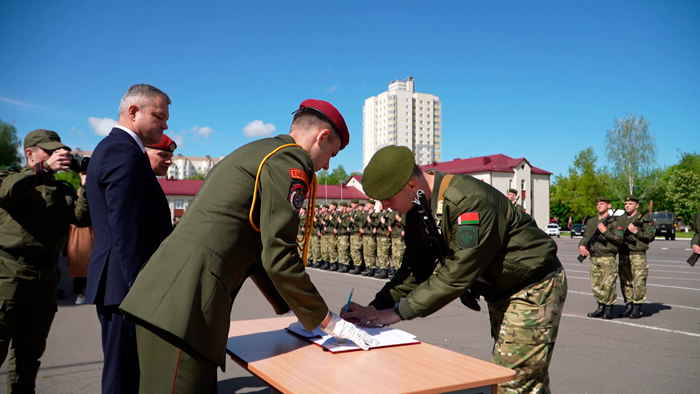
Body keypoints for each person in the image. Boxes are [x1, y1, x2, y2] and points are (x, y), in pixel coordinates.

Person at [119, 99, 377, 393]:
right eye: (331, 154)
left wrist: (300, 312)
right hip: (185, 303)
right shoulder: (291, 162)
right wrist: (328, 321)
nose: (327, 165)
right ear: (322, 137)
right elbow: (279, 254)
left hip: (176, 296)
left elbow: (256, 246)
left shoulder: (259, 151)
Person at [344, 145, 567, 394]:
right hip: (502, 290)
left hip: (531, 287)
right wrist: (376, 307)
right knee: (527, 377)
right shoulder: (416, 208)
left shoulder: (467, 200)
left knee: (511, 382)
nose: (384, 206)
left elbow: (458, 271)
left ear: (410, 185)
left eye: (388, 198)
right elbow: (414, 270)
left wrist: (399, 311)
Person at [85, 84, 174, 394]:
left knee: (128, 374)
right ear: (133, 111)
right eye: (160, 116)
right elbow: (127, 228)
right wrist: (141, 290)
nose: (165, 125)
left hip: (120, 287)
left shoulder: (117, 149)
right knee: (123, 378)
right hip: (125, 289)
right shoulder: (122, 151)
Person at [0, 129, 91, 393]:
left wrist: (84, 187)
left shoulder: (61, 188)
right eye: (49, 152)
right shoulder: (9, 177)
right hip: (9, 272)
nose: (58, 156)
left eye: (59, 151)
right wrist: (43, 170)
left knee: (30, 354)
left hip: (46, 276)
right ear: (30, 154)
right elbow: (6, 194)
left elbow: (81, 219)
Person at [579, 196, 623, 320]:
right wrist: (582, 246)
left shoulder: (615, 222)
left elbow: (619, 239)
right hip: (594, 257)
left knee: (608, 284)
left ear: (609, 206)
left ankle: (609, 309)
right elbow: (586, 237)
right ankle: (600, 307)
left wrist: (605, 231)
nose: (599, 205)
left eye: (602, 203)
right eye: (598, 204)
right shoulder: (591, 222)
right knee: (596, 284)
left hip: (607, 256)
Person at [617, 195, 654, 318]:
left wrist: (636, 232)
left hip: (637, 253)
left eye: (630, 203)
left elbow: (650, 237)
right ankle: (629, 304)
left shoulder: (644, 218)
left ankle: (638, 306)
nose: (627, 205)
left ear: (637, 205)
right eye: (626, 203)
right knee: (625, 281)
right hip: (623, 254)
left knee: (639, 282)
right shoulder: (621, 219)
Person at [361, 200, 378, 277]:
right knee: (366, 253)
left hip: (371, 235)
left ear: (373, 205)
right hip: (365, 235)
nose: (367, 205)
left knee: (371, 253)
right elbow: (361, 223)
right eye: (367, 203)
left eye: (369, 204)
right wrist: (360, 228)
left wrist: (370, 221)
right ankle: (368, 268)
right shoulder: (365, 214)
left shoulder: (375, 214)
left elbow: (376, 224)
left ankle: (372, 269)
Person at [349, 199, 365, 274]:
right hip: (352, 233)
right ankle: (356, 266)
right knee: (353, 251)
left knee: (357, 251)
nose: (351, 205)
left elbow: (361, 223)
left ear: (356, 204)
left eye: (353, 203)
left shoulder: (359, 213)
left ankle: (358, 267)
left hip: (357, 234)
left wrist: (353, 221)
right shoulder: (354, 212)